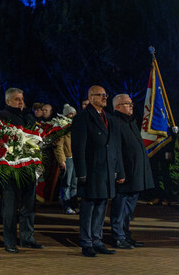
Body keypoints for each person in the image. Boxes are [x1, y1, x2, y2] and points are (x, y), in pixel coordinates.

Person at [71, 85, 125, 257]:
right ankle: (86, 242)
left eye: (105, 95)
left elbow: (116, 147)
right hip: (92, 169)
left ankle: (97, 240)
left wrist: (120, 170)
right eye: (100, 95)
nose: (104, 98)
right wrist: (81, 172)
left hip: (107, 169)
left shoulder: (109, 118)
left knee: (102, 205)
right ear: (91, 97)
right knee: (88, 207)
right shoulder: (83, 118)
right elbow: (78, 147)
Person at [0, 88, 43, 253]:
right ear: (8, 101)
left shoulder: (29, 117)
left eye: (21, 99)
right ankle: (9, 241)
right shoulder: (1, 117)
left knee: (29, 205)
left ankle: (27, 238)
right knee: (10, 207)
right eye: (16, 99)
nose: (20, 102)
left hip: (28, 167)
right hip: (10, 169)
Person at [110, 94, 154, 248]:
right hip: (125, 174)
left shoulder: (131, 122)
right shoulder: (115, 122)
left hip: (135, 173)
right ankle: (117, 236)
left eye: (131, 103)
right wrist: (120, 172)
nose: (131, 106)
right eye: (127, 103)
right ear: (118, 107)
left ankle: (126, 235)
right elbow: (116, 150)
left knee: (129, 210)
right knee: (120, 207)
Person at [54, 104, 78, 215]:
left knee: (74, 183)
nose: (72, 115)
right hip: (68, 159)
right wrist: (61, 160)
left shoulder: (76, 126)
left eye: (73, 113)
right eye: (70, 114)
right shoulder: (62, 127)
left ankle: (74, 204)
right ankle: (66, 205)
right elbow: (58, 146)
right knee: (66, 184)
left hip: (76, 158)